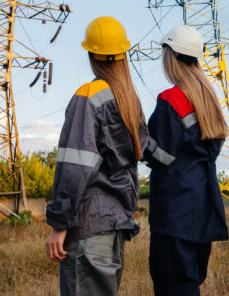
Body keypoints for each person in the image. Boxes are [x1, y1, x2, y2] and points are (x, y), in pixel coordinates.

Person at [45, 16, 148, 296]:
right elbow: (146, 148)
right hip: (115, 228)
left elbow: (76, 166)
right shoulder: (129, 100)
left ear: (91, 55)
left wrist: (59, 223)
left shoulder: (89, 95)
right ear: (123, 55)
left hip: (89, 228)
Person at [145, 24, 229, 296]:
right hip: (202, 212)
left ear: (170, 55)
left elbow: (162, 155)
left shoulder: (171, 99)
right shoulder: (208, 98)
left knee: (172, 286)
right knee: (189, 284)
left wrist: (136, 138)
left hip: (175, 214)